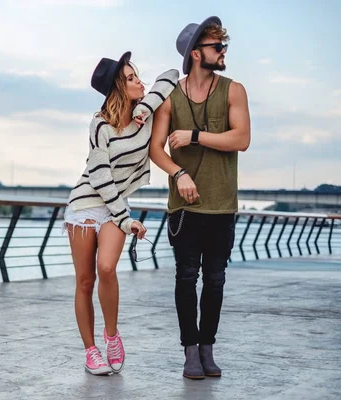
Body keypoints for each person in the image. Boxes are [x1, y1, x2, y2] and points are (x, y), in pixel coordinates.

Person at [64, 51, 178, 375]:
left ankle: (111, 336)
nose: (139, 81)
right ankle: (90, 351)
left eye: (136, 75)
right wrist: (125, 219)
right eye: (130, 78)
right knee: (85, 281)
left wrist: (145, 105)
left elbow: (170, 74)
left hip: (115, 204)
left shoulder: (147, 116)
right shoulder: (99, 124)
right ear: (118, 87)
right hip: (87, 203)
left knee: (107, 268)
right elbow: (99, 176)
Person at [150, 16, 251, 379]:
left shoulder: (233, 90)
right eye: (216, 47)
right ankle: (190, 352)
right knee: (185, 278)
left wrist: (194, 135)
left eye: (223, 46)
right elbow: (156, 149)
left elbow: (241, 139)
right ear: (196, 54)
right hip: (184, 208)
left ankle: (208, 349)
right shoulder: (170, 97)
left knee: (216, 279)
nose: (223, 52)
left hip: (222, 203)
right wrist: (178, 173)